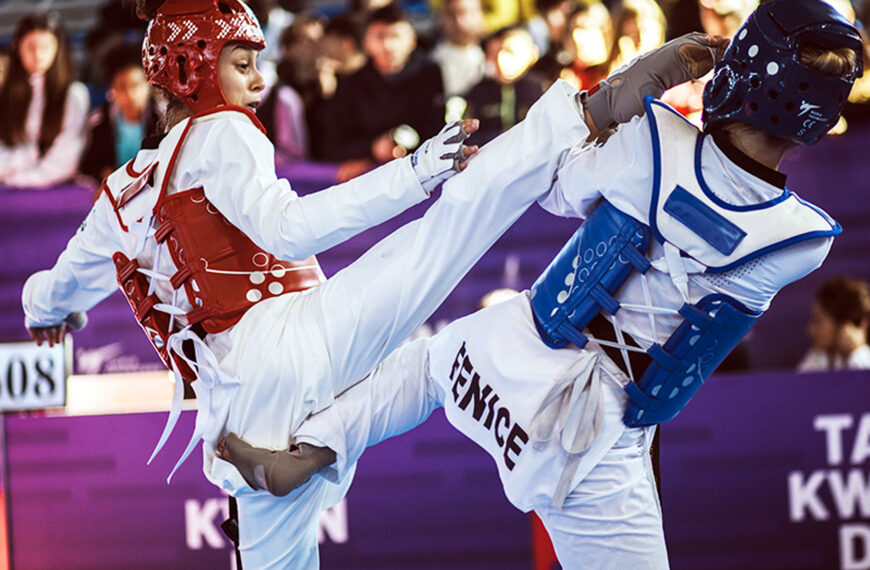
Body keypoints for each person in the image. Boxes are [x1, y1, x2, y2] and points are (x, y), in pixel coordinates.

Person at [218, 0, 863, 567]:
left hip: (510, 348)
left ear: (741, 70)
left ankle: (308, 451)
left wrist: (616, 106)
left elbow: (557, 187)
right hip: (593, 437)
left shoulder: (655, 138)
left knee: (425, 366)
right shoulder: (801, 241)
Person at [21, 0, 613, 566]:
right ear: (194, 68)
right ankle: (577, 116)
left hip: (238, 409)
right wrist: (413, 172)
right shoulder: (225, 130)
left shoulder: (118, 197)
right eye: (242, 62)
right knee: (442, 273)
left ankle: (304, 455)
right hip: (297, 335)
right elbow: (291, 229)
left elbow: (59, 286)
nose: (261, 78)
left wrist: (47, 312)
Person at [315, 4, 445, 172]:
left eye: (395, 36)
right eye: (379, 36)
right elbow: (331, 146)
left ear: (412, 40)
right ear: (366, 42)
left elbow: (437, 131)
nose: (388, 45)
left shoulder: (429, 74)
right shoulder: (351, 85)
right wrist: (373, 148)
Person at [0, 13, 89, 189]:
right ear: (17, 47)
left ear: (58, 49)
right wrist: (28, 156)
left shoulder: (74, 95)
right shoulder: (5, 94)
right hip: (7, 194)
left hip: (56, 194)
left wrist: (17, 179)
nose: (38, 54)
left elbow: (66, 161)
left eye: (45, 47)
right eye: (30, 47)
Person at [80, 43, 159, 184]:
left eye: (136, 86)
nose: (130, 94)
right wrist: (104, 173)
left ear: (148, 86)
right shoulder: (99, 120)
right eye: (122, 87)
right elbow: (88, 165)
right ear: (112, 91)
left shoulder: (162, 117)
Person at [463, 25, 545, 145]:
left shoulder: (542, 88)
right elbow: (467, 136)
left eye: (510, 52)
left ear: (532, 54)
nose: (501, 59)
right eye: (495, 54)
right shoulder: (478, 92)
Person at [798, 276, 870, 371]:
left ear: (845, 326)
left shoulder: (864, 360)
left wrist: (855, 353)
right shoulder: (818, 357)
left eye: (818, 321)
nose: (810, 330)